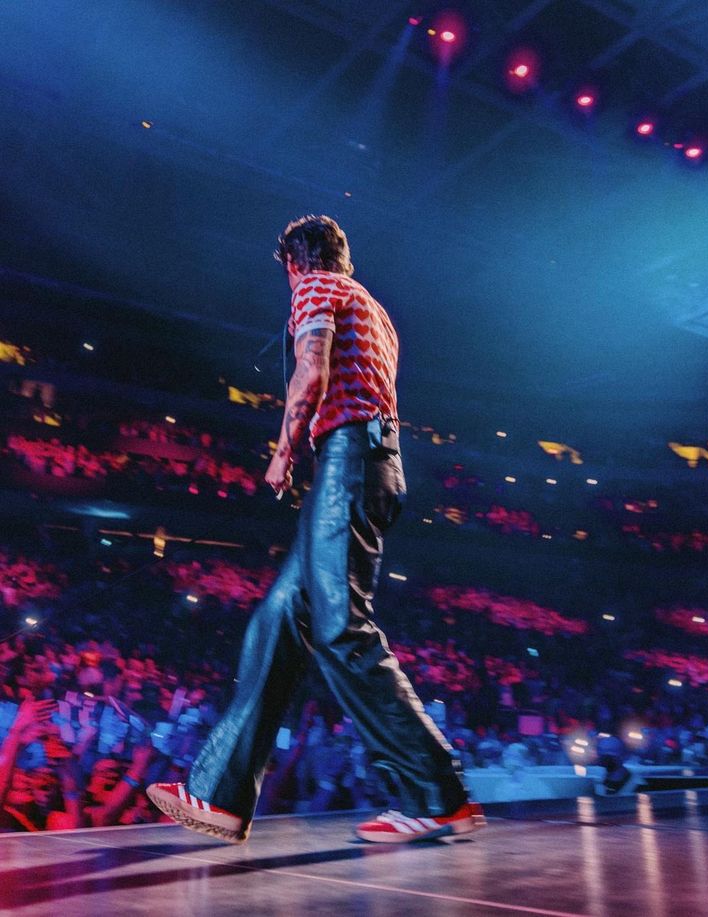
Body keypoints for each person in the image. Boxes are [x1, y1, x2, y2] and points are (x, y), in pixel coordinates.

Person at [147, 215, 485, 843]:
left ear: (293, 262)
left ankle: (437, 795)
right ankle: (218, 794)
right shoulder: (374, 309)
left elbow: (311, 371)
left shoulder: (315, 288)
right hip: (366, 462)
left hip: (351, 462)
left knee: (340, 630)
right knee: (277, 622)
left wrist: (283, 450)